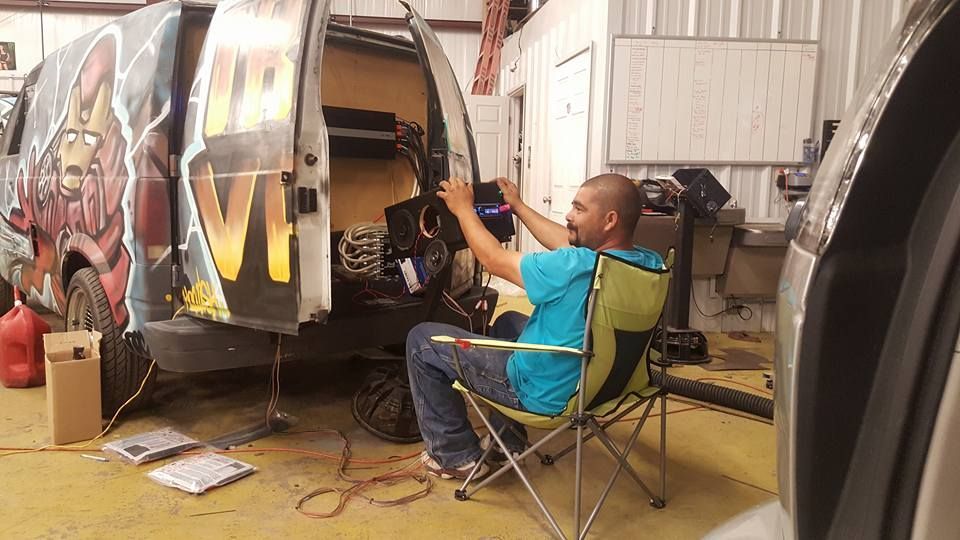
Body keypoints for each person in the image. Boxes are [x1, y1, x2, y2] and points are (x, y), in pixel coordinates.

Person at [406, 173, 663, 480]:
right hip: (604, 386)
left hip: (545, 394)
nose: (568, 215)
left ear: (609, 220)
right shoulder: (647, 262)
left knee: (421, 341)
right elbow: (565, 242)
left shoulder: (572, 267)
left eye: (579, 209)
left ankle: (455, 455)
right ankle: (507, 443)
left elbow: (494, 259)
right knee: (508, 322)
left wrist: (463, 209)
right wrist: (518, 206)